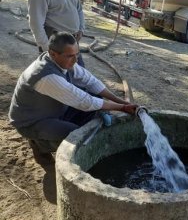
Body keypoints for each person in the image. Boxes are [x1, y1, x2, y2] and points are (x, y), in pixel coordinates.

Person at [8, 32, 138, 165]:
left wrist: (120, 101)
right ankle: (40, 146)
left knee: (96, 100)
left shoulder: (62, 61)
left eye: (77, 54)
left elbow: (91, 81)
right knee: (74, 134)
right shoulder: (46, 76)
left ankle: (58, 130)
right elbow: (85, 102)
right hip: (32, 121)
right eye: (70, 56)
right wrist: (123, 108)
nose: (75, 60)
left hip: (53, 111)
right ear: (53, 53)